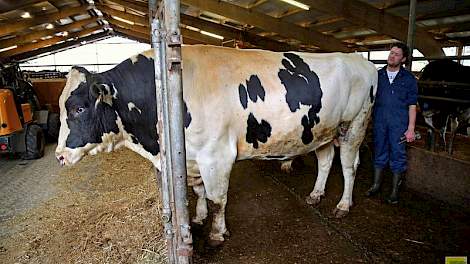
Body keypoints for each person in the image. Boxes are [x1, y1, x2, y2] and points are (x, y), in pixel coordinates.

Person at [366, 42, 418, 204]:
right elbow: (369, 101)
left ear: (403, 59)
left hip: (399, 124)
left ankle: (395, 191)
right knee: (379, 151)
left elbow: (412, 105)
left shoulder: (409, 79)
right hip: (380, 121)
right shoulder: (377, 76)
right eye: (391, 53)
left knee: (398, 155)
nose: (392, 56)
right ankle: (376, 185)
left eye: (396, 54)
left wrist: (411, 128)